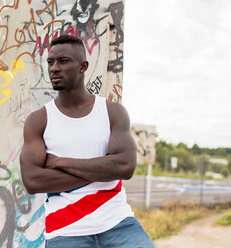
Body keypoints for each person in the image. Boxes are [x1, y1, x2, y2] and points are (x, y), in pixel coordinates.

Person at [20, 35, 155, 248]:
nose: (54, 68)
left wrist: (62, 162)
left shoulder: (112, 112)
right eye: (50, 62)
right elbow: (33, 181)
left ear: (83, 66)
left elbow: (125, 167)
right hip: (66, 230)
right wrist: (103, 169)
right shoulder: (39, 120)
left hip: (118, 223)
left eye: (63, 61)